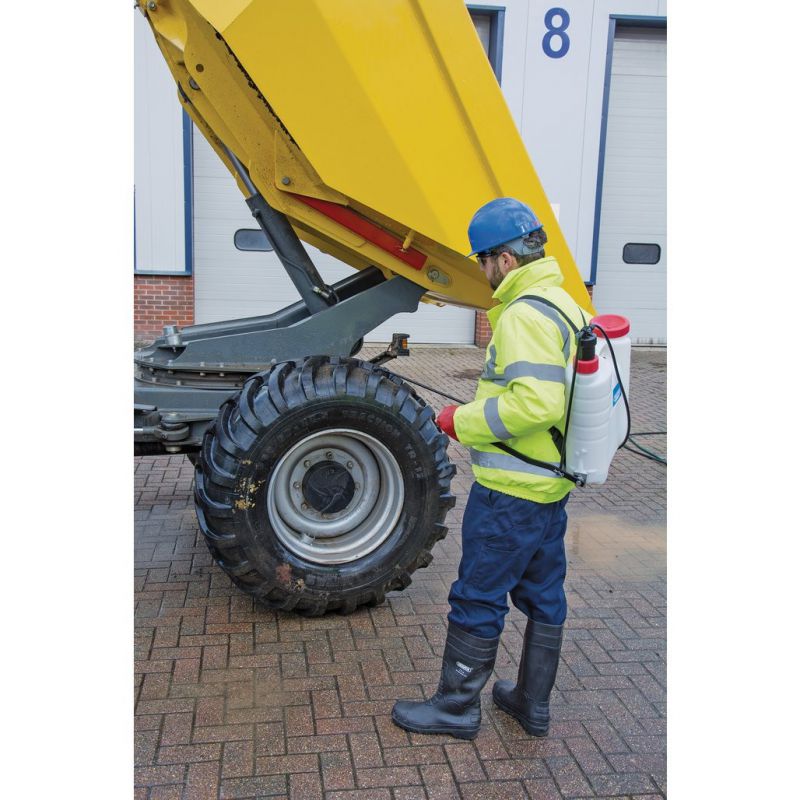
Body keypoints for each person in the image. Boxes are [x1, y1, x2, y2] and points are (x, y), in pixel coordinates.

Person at [391, 197, 592, 740]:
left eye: (482, 260)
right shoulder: (566, 305)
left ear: (504, 259)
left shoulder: (524, 314)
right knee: (544, 595)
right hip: (548, 488)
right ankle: (531, 703)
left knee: (478, 594)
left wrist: (460, 420)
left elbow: (536, 404)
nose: (482, 271)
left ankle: (456, 708)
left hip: (511, 493)